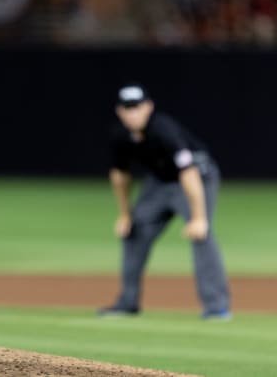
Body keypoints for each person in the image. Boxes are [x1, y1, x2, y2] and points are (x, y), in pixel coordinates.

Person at [97, 82, 231, 320]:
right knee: (133, 232)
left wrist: (199, 218)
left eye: (137, 107)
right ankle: (127, 303)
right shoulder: (121, 136)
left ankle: (216, 307)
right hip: (159, 183)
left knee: (201, 234)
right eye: (127, 108)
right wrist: (125, 214)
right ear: (120, 111)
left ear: (148, 107)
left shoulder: (163, 129)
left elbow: (188, 173)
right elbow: (120, 177)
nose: (133, 113)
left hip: (197, 177)